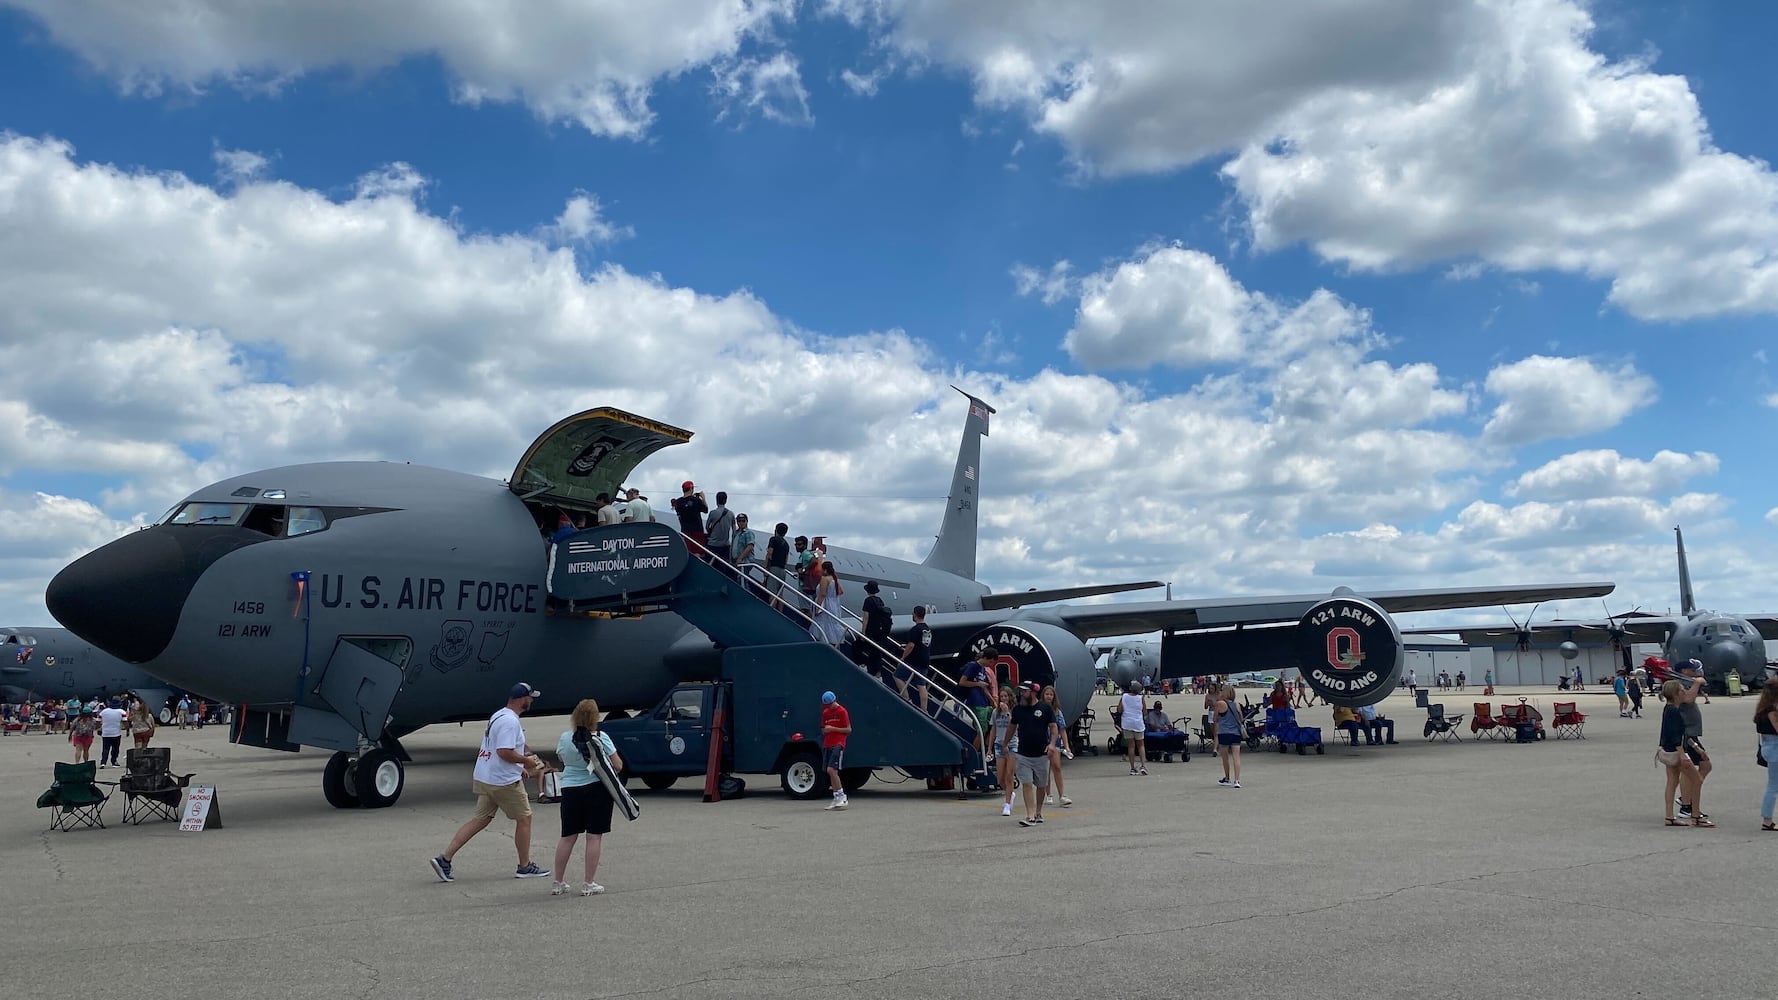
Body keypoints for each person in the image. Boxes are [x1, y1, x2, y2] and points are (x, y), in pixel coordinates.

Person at [431, 683, 552, 882]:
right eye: (530, 697)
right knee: (525, 819)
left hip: (486, 776)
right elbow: (503, 751)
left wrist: (518, 767)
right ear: (522, 699)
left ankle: (445, 859)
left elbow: (499, 749)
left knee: (481, 819)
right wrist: (526, 761)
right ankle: (524, 866)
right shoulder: (510, 722)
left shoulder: (499, 715)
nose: (532, 701)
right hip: (502, 781)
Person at [550, 698, 623, 896]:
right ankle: (588, 882)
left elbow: (561, 757)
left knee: (567, 836)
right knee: (593, 836)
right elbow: (618, 765)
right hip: (596, 788)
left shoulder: (565, 737)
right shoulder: (600, 737)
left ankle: (558, 881)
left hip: (570, 788)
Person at [1658, 679, 1709, 828]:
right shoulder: (1675, 711)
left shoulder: (1669, 709)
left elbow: (1674, 734)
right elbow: (1676, 736)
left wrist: (1696, 748)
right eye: (1681, 690)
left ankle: (1669, 816)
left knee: (1672, 782)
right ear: (1675, 694)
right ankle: (1696, 815)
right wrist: (1682, 754)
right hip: (1677, 751)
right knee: (1697, 780)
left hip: (1668, 750)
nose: (1684, 692)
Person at [1009, 681, 1058, 827]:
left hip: (1041, 754)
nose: (1022, 694)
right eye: (1021, 691)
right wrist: (1005, 744)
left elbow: (1054, 728)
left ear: (1033, 692)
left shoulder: (1045, 708)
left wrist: (1052, 744)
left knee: (1041, 785)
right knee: (1027, 783)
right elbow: (1011, 728)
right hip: (1023, 754)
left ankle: (1038, 812)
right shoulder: (1018, 710)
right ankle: (1030, 815)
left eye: (1024, 691)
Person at [1673, 661, 1712, 821]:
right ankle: (1686, 806)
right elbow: (1687, 699)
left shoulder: (1686, 682)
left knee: (1704, 765)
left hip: (1692, 733)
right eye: (1691, 669)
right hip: (1686, 734)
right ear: (1683, 670)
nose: (1694, 671)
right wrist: (1697, 683)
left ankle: (1686, 798)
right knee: (1690, 769)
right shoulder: (1678, 684)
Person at [898, 606, 934, 716]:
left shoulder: (915, 629)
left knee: (897, 675)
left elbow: (911, 646)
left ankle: (906, 698)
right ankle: (924, 710)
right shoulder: (927, 629)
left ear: (914, 614)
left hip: (914, 661)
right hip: (925, 659)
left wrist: (903, 658)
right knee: (921, 685)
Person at [1040, 684, 1073, 808]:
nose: (1049, 696)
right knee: (1045, 770)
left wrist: (1066, 745)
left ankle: (1062, 794)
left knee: (1056, 767)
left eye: (1051, 694)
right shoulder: (1039, 709)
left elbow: (1062, 729)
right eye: (1047, 694)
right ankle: (1048, 794)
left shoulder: (1057, 712)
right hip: (1043, 742)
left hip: (1055, 742)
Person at [820, 691, 851, 811]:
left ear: (834, 701)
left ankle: (842, 796)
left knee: (831, 769)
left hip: (838, 743)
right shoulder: (825, 713)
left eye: (830, 704)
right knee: (831, 772)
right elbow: (823, 728)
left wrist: (833, 728)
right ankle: (836, 797)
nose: (829, 707)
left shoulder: (842, 711)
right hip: (827, 743)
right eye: (827, 705)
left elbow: (848, 730)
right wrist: (825, 730)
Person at [1755, 677, 1778, 832]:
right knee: (1773, 785)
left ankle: (1767, 819)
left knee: (1773, 784)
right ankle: (1767, 820)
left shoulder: (1762, 708)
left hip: (1768, 745)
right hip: (1775, 746)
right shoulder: (1772, 710)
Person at [988, 687, 1016, 817]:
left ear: (1010, 697)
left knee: (1010, 775)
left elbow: (1015, 725)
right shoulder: (995, 712)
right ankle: (1010, 793)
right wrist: (989, 748)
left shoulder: (1014, 711)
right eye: (1002, 696)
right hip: (999, 744)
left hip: (1012, 744)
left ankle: (1007, 804)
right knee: (1000, 779)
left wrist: (1007, 713)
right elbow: (993, 729)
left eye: (1006, 696)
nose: (1004, 699)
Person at [859, 581, 893, 682]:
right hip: (880, 630)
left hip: (871, 629)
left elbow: (866, 618)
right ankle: (878, 674)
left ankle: (864, 666)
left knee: (861, 646)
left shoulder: (868, 601)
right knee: (877, 652)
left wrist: (863, 632)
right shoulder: (880, 600)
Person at [808, 561, 845, 645]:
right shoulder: (835, 579)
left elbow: (822, 594)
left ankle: (822, 642)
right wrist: (832, 595)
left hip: (826, 604)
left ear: (825, 570)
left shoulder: (824, 579)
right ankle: (834, 642)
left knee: (822, 623)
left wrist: (818, 607)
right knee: (832, 624)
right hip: (834, 604)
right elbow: (841, 592)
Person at [1214, 685, 1243, 788]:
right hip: (1236, 733)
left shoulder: (1220, 704)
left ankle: (1227, 778)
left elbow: (1215, 719)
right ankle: (1237, 780)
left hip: (1224, 732)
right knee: (1236, 757)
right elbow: (1241, 719)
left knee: (1225, 757)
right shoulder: (1237, 704)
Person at [1119, 682, 1147, 776]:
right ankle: (1143, 765)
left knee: (1131, 746)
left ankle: (1132, 768)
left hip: (1127, 723)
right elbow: (1145, 711)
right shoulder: (1140, 698)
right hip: (1138, 723)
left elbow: (1119, 709)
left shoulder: (1124, 696)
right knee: (1141, 745)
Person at [672, 481, 708, 548]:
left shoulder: (678, 502)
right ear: (691, 489)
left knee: (688, 551)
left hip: (685, 531)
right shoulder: (696, 500)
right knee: (698, 551)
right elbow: (706, 510)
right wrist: (703, 498)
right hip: (697, 531)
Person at [704, 491, 735, 564]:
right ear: (726, 500)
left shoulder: (713, 513)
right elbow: (734, 532)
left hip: (712, 544)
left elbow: (707, 527)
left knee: (710, 565)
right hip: (725, 545)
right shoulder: (731, 514)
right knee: (723, 566)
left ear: (716, 500)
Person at [97, 699, 127, 767]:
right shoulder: (121, 712)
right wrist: (127, 730)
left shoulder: (104, 711)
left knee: (105, 748)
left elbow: (98, 721)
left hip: (105, 733)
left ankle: (103, 762)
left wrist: (99, 728)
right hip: (116, 733)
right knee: (115, 748)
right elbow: (125, 721)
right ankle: (114, 761)